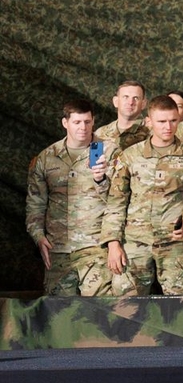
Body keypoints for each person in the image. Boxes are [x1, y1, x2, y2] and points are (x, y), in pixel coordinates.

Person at [102, 95, 183, 295]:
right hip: (135, 242)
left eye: (173, 120)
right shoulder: (130, 156)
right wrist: (113, 243)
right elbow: (116, 202)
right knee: (127, 305)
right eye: (161, 121)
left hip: (176, 241)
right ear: (149, 122)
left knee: (178, 307)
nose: (168, 126)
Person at [25, 99, 116, 295]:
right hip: (58, 249)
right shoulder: (47, 157)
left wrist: (101, 180)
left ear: (93, 122)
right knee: (60, 313)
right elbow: (35, 204)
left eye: (87, 122)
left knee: (99, 311)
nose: (83, 128)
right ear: (65, 123)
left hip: (95, 246)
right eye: (77, 122)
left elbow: (120, 200)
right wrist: (38, 236)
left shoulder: (107, 152)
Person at [97, 80, 148, 151]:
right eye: (126, 97)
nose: (130, 102)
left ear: (143, 104)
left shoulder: (152, 133)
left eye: (136, 98)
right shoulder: (100, 133)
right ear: (116, 101)